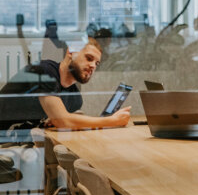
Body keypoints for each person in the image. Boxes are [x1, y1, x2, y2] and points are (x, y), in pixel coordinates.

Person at [0, 38, 130, 137]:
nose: (93, 66)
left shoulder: (75, 99)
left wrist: (51, 120)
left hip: (19, 144)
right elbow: (63, 121)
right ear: (71, 52)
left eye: (97, 63)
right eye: (89, 58)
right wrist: (112, 121)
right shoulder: (45, 71)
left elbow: (62, 120)